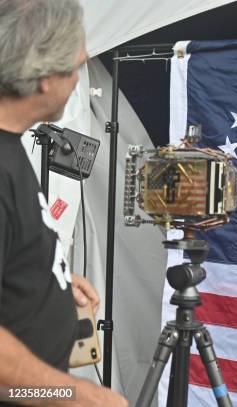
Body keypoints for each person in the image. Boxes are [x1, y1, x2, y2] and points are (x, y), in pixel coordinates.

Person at [0, 1, 128, 406]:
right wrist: (74, 395)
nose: (78, 81)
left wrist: (47, 277)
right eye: (75, 67)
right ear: (42, 78)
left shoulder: (12, 145)